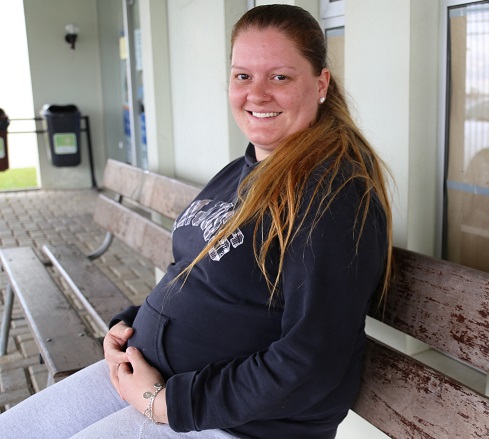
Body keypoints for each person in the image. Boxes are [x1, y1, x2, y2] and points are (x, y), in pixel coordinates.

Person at [0, 5, 392, 439]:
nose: (257, 94)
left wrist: (167, 403)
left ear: (320, 84)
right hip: (151, 376)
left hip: (233, 421)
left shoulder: (332, 195)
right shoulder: (240, 171)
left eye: (279, 76)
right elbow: (199, 273)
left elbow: (312, 358)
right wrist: (128, 326)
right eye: (243, 76)